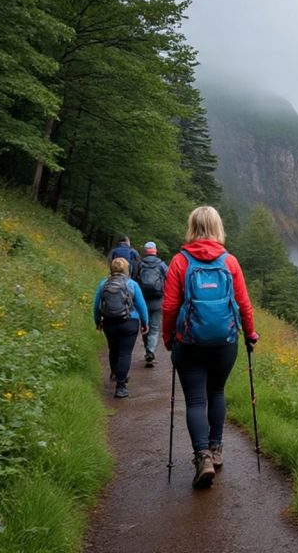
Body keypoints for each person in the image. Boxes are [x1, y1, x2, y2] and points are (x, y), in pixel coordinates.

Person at [162, 206, 258, 489]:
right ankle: (216, 450)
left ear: (191, 227)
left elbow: (169, 307)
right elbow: (243, 304)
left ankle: (202, 457)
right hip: (224, 342)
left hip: (189, 342)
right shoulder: (230, 262)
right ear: (218, 227)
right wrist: (250, 333)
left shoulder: (180, 262)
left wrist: (169, 338)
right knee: (216, 391)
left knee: (194, 400)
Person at [93, 257, 149, 398]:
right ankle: (121, 386)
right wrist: (145, 322)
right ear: (127, 269)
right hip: (129, 322)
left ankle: (116, 373)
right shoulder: (132, 284)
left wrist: (98, 321)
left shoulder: (103, 284)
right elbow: (141, 306)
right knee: (125, 353)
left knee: (113, 350)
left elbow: (96, 306)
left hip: (109, 322)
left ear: (111, 269)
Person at [138, 241, 168, 368]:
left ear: (145, 251)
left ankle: (147, 350)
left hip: (143, 300)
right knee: (155, 327)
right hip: (158, 299)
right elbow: (170, 278)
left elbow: (133, 279)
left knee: (145, 325)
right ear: (155, 251)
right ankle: (151, 351)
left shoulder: (139, 264)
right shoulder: (161, 265)